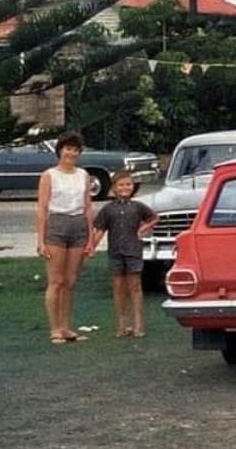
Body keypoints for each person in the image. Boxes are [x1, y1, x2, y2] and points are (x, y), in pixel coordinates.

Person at [34, 131, 94, 344]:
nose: (71, 153)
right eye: (68, 149)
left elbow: (88, 206)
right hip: (57, 226)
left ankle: (66, 327)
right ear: (60, 150)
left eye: (76, 150)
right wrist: (41, 240)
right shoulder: (49, 175)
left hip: (78, 226)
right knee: (56, 281)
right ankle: (55, 329)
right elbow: (42, 208)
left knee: (70, 281)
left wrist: (90, 238)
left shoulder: (83, 175)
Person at [88, 170, 157, 337]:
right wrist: (91, 247)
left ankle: (138, 324)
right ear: (114, 188)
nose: (125, 188)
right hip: (115, 252)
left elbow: (154, 218)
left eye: (128, 184)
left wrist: (143, 229)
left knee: (135, 286)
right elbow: (100, 230)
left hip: (133, 251)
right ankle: (122, 324)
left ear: (133, 187)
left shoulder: (137, 206)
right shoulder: (108, 209)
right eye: (121, 185)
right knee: (118, 288)